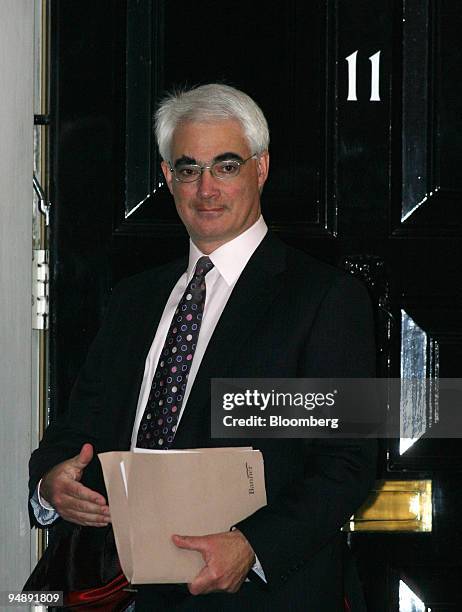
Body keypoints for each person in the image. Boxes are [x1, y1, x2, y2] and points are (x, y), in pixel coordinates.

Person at [28, 83, 376, 611]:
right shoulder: (133, 299)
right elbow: (73, 430)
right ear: (168, 178)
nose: (206, 189)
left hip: (256, 596)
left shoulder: (326, 297)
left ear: (261, 169)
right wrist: (52, 483)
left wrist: (253, 548)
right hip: (113, 591)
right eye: (189, 169)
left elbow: (347, 464)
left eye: (227, 166)